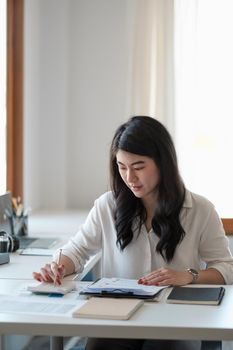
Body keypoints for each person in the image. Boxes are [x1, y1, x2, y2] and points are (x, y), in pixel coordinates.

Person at [33, 116, 233, 350]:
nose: (129, 178)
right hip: (117, 317)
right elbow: (77, 250)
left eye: (139, 167)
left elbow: (227, 268)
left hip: (176, 318)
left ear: (163, 163)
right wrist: (59, 266)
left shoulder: (200, 209)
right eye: (122, 167)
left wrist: (189, 276)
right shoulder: (108, 205)